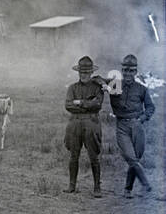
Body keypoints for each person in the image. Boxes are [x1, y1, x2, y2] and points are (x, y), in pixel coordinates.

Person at [109, 53, 154, 197]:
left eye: (131, 70)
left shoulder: (142, 89)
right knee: (130, 157)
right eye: (125, 70)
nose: (127, 73)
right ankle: (146, 184)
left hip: (138, 126)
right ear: (122, 70)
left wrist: (142, 118)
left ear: (135, 71)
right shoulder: (114, 85)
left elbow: (150, 107)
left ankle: (127, 189)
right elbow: (101, 82)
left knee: (136, 159)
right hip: (122, 126)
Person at [64, 55, 106, 196]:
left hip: (91, 123)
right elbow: (68, 105)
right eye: (81, 72)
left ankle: (97, 187)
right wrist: (88, 104)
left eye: (87, 72)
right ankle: (72, 186)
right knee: (73, 155)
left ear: (91, 73)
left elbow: (98, 104)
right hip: (75, 123)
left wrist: (80, 103)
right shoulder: (72, 87)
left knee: (94, 156)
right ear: (78, 73)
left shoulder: (97, 88)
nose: (84, 75)